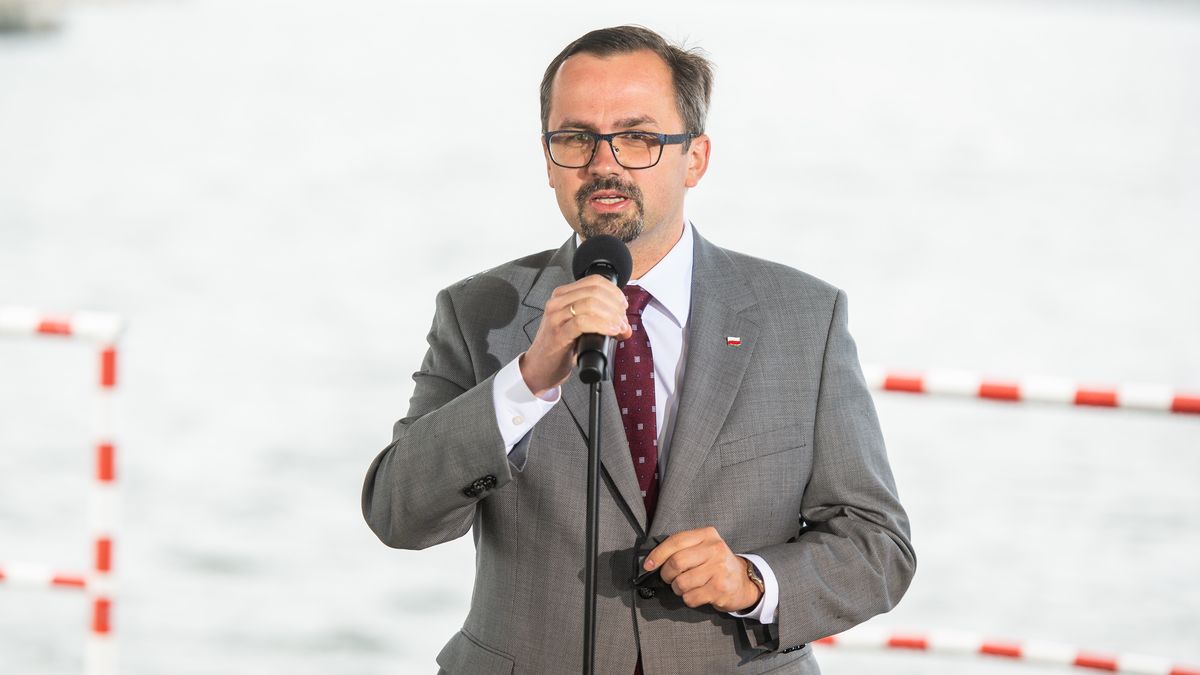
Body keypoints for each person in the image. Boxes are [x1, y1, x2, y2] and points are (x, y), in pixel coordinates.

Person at [362, 25, 915, 674]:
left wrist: (753, 580)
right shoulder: (478, 311)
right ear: (549, 161)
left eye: (637, 137)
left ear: (695, 157)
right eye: (576, 138)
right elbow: (398, 514)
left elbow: (878, 546)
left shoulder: (804, 316)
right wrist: (526, 381)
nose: (605, 163)